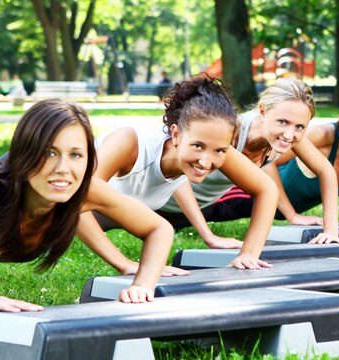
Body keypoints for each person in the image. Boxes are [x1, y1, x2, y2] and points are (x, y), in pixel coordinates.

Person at [0, 99, 177, 313]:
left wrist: (142, 285)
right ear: (25, 153)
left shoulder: (84, 190)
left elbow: (158, 228)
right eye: (49, 153)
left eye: (76, 155)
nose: (63, 169)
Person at [88, 75, 278, 269]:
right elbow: (75, 202)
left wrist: (248, 253)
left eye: (220, 150)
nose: (206, 161)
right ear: (176, 134)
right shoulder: (129, 143)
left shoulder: (203, 151)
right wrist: (125, 264)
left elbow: (267, 189)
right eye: (197, 146)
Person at [158, 77, 339, 244]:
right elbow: (177, 175)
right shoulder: (231, 129)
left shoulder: (283, 139)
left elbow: (325, 170)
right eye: (282, 122)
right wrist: (209, 236)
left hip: (194, 209)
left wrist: (330, 229)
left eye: (300, 126)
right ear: (262, 111)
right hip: (162, 204)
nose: (289, 134)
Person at [194, 89, 339, 224]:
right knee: (184, 213)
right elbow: (266, 162)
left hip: (272, 207)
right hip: (243, 194)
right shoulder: (323, 135)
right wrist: (291, 216)